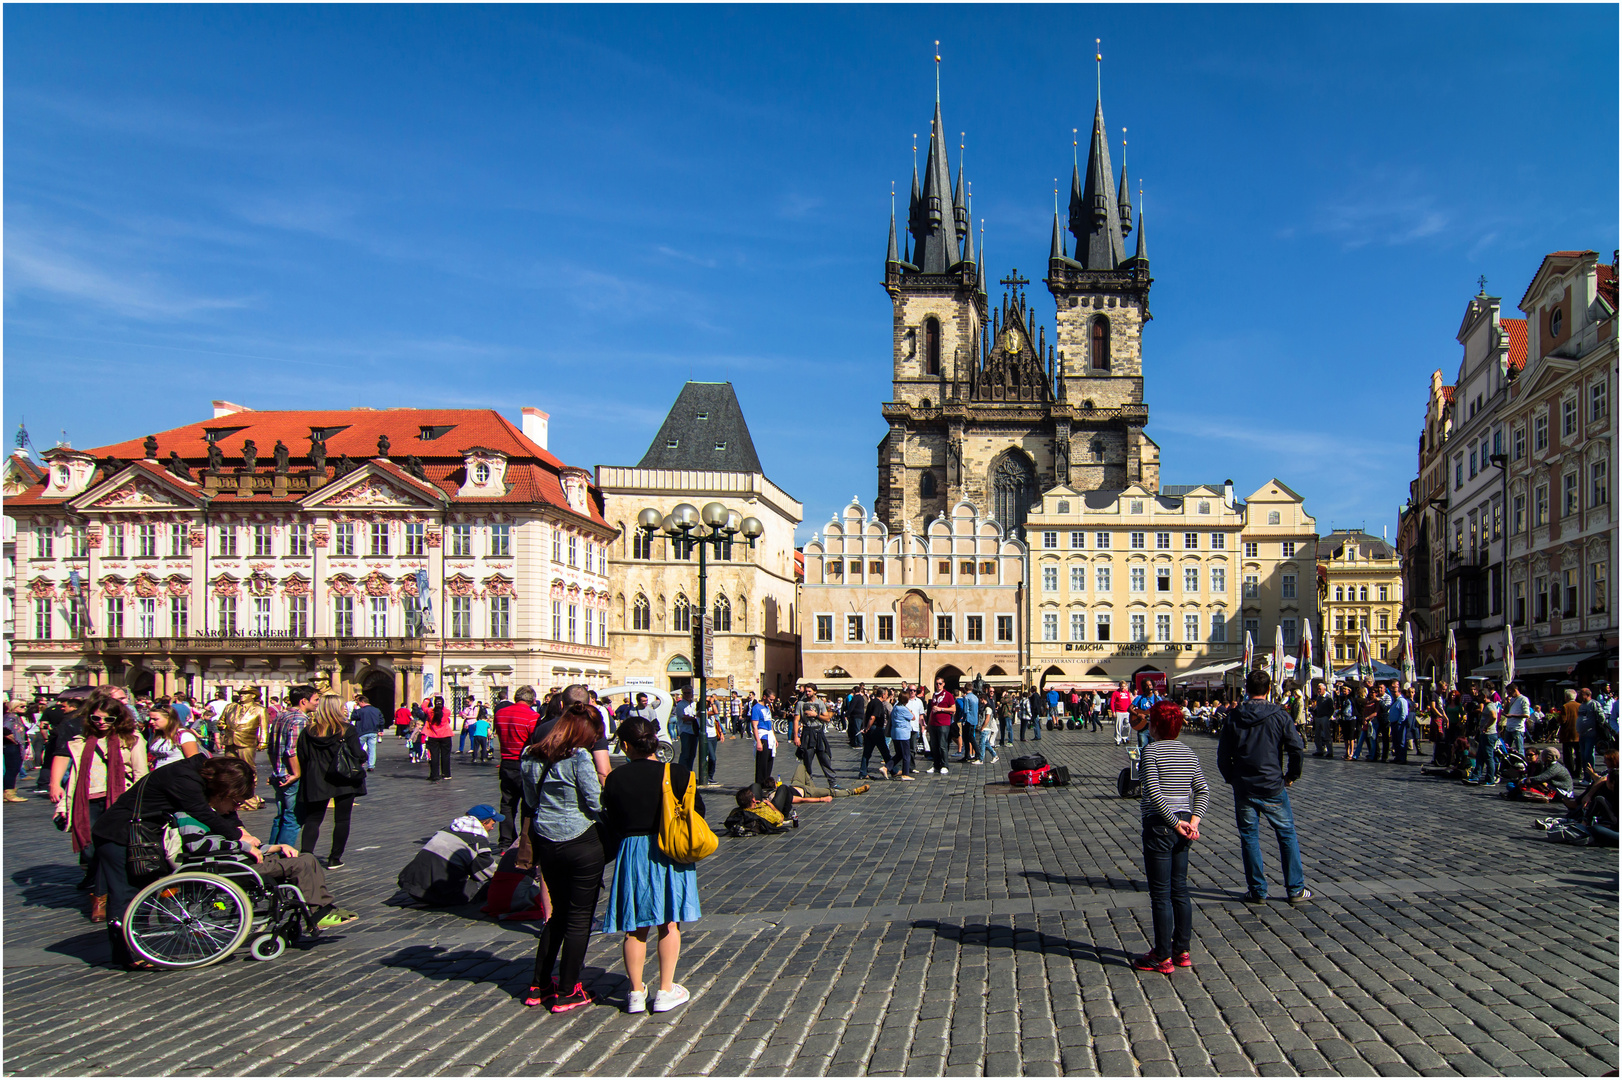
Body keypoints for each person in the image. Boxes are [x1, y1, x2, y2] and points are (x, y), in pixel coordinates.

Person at [92, 755, 354, 969]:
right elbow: (206, 815)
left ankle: (137, 941)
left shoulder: (201, 776)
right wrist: (242, 841)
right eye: (235, 800)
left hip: (146, 836)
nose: (236, 806)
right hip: (120, 835)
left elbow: (221, 814)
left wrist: (247, 836)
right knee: (126, 893)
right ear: (222, 789)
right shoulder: (184, 780)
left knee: (142, 891)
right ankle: (127, 953)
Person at [600, 717, 703, 1014]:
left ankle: (634, 993)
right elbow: (697, 811)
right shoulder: (678, 772)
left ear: (625, 745)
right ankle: (666, 990)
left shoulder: (616, 778)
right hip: (667, 848)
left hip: (633, 851)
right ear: (656, 743)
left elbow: (612, 820)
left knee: (635, 927)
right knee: (668, 922)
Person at [521, 704, 607, 1013]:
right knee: (579, 917)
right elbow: (595, 802)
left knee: (556, 914)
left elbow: (530, 801)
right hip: (580, 841)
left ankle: (539, 984)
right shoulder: (579, 757)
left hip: (547, 842)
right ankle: (569, 989)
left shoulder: (530, 755)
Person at [1216, 668, 1310, 905]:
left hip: (1245, 786)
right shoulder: (1279, 714)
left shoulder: (1234, 716)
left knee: (1249, 837)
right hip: (1272, 784)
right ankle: (1295, 889)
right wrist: (1291, 776)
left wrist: (1232, 778)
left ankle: (1257, 890)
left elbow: (1223, 755)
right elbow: (1296, 748)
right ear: (1269, 689)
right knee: (1286, 834)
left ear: (1246, 689)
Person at [56, 692, 151, 921]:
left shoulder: (132, 739)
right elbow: (74, 778)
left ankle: (99, 898)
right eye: (97, 719)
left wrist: (138, 804)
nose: (102, 724)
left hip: (118, 801)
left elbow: (140, 774)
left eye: (108, 719)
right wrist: (62, 803)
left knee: (105, 850)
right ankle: (101, 891)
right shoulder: (80, 742)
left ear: (118, 719)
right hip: (85, 800)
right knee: (89, 850)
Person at [1133, 701, 1209, 974]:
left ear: (1154, 725)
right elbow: (1202, 790)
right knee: (1180, 890)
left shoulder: (1150, 751)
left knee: (1161, 894)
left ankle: (1162, 955)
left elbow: (1153, 792)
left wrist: (1176, 823)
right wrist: (1193, 821)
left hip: (1160, 827)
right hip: (1184, 827)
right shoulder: (1188, 752)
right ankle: (1182, 950)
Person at [296, 693, 367, 870]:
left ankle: (306, 855)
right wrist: (363, 757)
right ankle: (335, 858)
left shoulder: (309, 731)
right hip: (343, 779)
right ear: (336, 708)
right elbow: (358, 753)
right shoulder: (346, 729)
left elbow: (302, 755)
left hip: (316, 778)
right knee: (342, 820)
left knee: (313, 819)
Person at [397, 804, 503, 906]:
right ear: (484, 823)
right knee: (487, 886)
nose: (492, 828)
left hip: (411, 887)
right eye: (492, 825)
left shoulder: (446, 829)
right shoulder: (477, 840)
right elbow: (489, 872)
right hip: (438, 894)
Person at [265, 685, 316, 849]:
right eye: (315, 700)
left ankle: (271, 851)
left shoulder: (281, 716)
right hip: (290, 775)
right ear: (304, 701)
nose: (317, 704)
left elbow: (272, 747)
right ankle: (283, 856)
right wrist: (296, 773)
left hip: (279, 772)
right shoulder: (300, 720)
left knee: (281, 816)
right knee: (293, 817)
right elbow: (291, 750)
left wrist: (275, 769)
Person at [494, 686, 542, 847]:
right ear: (532, 700)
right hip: (524, 762)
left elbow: (499, 733)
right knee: (527, 804)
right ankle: (524, 839)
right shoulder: (532, 716)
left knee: (507, 803)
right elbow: (533, 741)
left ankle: (505, 839)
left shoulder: (500, 713)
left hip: (506, 761)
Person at [793, 684, 839, 787]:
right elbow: (796, 720)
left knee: (825, 758)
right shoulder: (800, 703)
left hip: (819, 732)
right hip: (807, 733)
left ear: (815, 692)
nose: (807, 693)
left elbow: (827, 718)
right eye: (806, 691)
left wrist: (816, 715)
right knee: (807, 760)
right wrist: (796, 736)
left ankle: (833, 783)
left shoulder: (820, 703)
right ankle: (809, 784)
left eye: (809, 691)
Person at [144, 705, 204, 769]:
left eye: (155, 719)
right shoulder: (158, 736)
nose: (151, 722)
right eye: (150, 719)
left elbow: (193, 763)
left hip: (177, 776)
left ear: (169, 718)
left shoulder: (184, 736)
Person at [858, 687, 893, 781]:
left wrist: (865, 727)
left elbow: (866, 715)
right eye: (886, 694)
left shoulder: (871, 702)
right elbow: (872, 717)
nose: (887, 695)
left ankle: (863, 772)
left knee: (867, 752)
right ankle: (894, 770)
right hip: (876, 729)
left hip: (870, 730)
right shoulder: (878, 703)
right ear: (883, 695)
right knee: (885, 751)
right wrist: (868, 727)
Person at [926, 679, 955, 775]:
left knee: (943, 745)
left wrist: (941, 709)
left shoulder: (948, 695)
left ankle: (944, 765)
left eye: (940, 683)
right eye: (937, 683)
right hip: (934, 724)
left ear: (943, 684)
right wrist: (929, 724)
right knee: (934, 746)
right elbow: (931, 712)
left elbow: (953, 708)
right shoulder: (934, 695)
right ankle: (936, 765)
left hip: (943, 723)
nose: (938, 685)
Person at [350, 694, 385, 772]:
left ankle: (359, 763)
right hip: (373, 731)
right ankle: (371, 765)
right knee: (372, 749)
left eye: (359, 703)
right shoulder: (377, 710)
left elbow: (353, 717)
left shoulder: (360, 711)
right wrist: (381, 730)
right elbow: (381, 720)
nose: (358, 705)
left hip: (362, 732)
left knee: (358, 748)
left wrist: (354, 710)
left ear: (362, 702)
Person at [423, 697, 453, 782]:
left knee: (434, 756)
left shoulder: (430, 711)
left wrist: (427, 699)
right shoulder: (446, 712)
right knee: (445, 755)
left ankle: (434, 774)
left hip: (433, 736)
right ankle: (446, 774)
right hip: (446, 735)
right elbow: (445, 711)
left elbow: (423, 707)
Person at [752, 690, 777, 788]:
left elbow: (770, 724)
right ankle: (760, 784)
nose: (772, 701)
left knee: (769, 761)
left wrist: (774, 738)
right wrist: (758, 741)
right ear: (764, 697)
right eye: (771, 699)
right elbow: (755, 726)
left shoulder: (767, 708)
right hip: (762, 736)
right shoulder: (756, 708)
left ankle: (767, 783)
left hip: (769, 736)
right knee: (762, 762)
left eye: (773, 700)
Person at [1109, 681, 1133, 746]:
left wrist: (1131, 710)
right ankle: (1118, 739)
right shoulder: (1115, 693)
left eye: (1124, 686)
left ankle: (1124, 737)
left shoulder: (1127, 693)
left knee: (1127, 725)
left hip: (1127, 711)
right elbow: (1112, 702)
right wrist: (1113, 711)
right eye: (1122, 686)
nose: (1123, 687)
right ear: (1120, 686)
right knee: (1118, 726)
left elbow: (1129, 702)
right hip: (1119, 711)